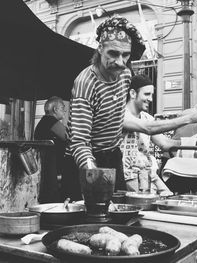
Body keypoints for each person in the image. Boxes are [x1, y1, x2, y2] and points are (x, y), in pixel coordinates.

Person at [61, 15, 146, 201]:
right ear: (100, 48)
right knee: (83, 219)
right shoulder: (85, 83)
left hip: (112, 156)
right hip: (83, 158)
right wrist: (93, 172)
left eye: (126, 55)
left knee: (118, 209)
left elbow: (115, 115)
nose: (120, 62)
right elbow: (79, 142)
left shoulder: (125, 74)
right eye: (113, 54)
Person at [120, 74, 197, 194]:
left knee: (171, 198)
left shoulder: (147, 117)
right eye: (147, 94)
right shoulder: (122, 114)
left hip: (148, 174)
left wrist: (195, 143)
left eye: (152, 95)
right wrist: (190, 118)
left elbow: (165, 143)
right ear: (133, 93)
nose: (151, 99)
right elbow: (147, 128)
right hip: (129, 176)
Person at [34, 96, 67, 203]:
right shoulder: (51, 121)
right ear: (55, 109)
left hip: (47, 167)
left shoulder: (43, 122)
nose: (65, 110)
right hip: (52, 168)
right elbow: (70, 137)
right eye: (62, 107)